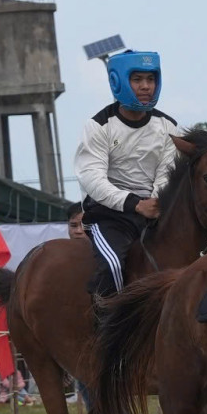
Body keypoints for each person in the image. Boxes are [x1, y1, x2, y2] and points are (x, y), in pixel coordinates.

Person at [74, 49, 178, 296]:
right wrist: (134, 204)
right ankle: (108, 329)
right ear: (118, 81)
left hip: (155, 212)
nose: (146, 87)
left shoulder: (168, 126)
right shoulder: (99, 126)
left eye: (151, 79)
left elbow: (167, 170)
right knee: (112, 267)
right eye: (137, 79)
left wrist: (155, 201)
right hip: (109, 216)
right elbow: (91, 178)